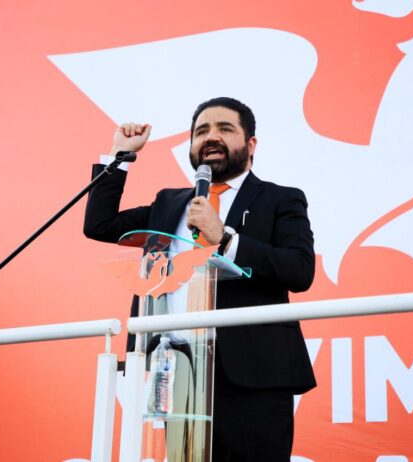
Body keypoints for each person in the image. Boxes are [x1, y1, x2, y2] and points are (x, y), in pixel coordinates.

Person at [84, 97, 316, 461]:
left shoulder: (280, 199)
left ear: (251, 144)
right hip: (181, 371)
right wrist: (119, 156)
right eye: (201, 131)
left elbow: (299, 270)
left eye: (225, 128)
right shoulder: (169, 203)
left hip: (254, 375)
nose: (211, 137)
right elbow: (99, 225)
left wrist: (224, 238)